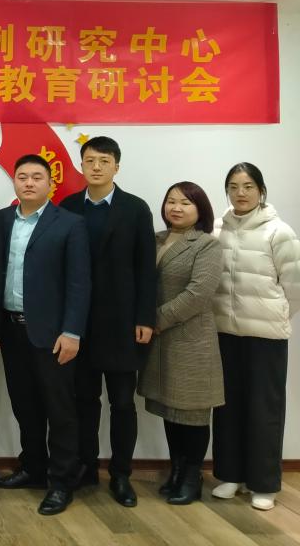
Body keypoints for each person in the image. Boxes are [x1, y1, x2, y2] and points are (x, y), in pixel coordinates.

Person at [0, 154, 90, 516]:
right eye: (22, 177)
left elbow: (79, 283)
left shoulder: (70, 224)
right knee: (24, 405)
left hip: (53, 334)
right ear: (14, 182)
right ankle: (32, 468)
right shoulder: (1, 221)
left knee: (59, 410)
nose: (28, 183)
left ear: (50, 183)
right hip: (11, 330)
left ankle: (61, 482)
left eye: (36, 177)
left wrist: (72, 331)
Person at [59, 137, 156, 507]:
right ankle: (86, 467)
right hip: (79, 324)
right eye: (89, 160)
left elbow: (146, 268)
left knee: (122, 403)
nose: (96, 167)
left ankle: (121, 474)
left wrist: (145, 316)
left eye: (104, 160)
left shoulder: (135, 208)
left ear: (117, 165)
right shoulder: (69, 207)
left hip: (122, 323)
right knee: (84, 400)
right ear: (81, 165)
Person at [211, 163, 300, 510]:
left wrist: (275, 314)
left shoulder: (279, 231)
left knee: (265, 409)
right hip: (225, 332)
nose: (241, 193)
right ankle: (231, 475)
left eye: (248, 186)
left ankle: (264, 484)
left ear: (261, 190)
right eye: (233, 187)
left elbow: (294, 287)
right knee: (227, 406)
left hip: (266, 336)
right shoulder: (217, 229)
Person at [138, 182, 224, 506]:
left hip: (191, 340)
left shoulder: (206, 245)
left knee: (193, 413)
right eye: (171, 201)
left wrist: (154, 320)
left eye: (185, 203)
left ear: (200, 209)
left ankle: (192, 476)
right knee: (169, 408)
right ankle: (176, 470)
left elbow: (198, 294)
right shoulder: (156, 239)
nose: (176, 208)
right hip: (159, 343)